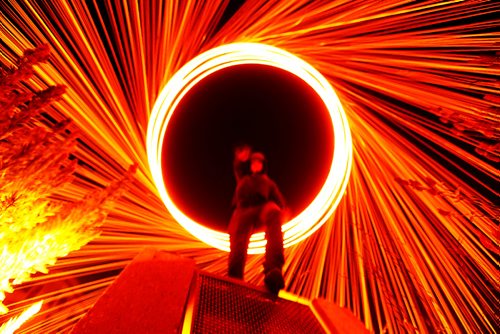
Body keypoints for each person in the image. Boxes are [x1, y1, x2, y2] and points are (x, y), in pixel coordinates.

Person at [228, 151, 287, 295]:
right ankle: (235, 277)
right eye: (253, 162)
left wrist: (284, 209)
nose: (256, 165)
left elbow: (279, 199)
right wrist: (239, 159)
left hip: (261, 207)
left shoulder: (268, 182)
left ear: (263, 166)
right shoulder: (243, 179)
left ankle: (273, 268)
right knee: (239, 239)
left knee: (274, 212)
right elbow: (237, 167)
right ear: (250, 166)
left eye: (259, 162)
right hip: (243, 210)